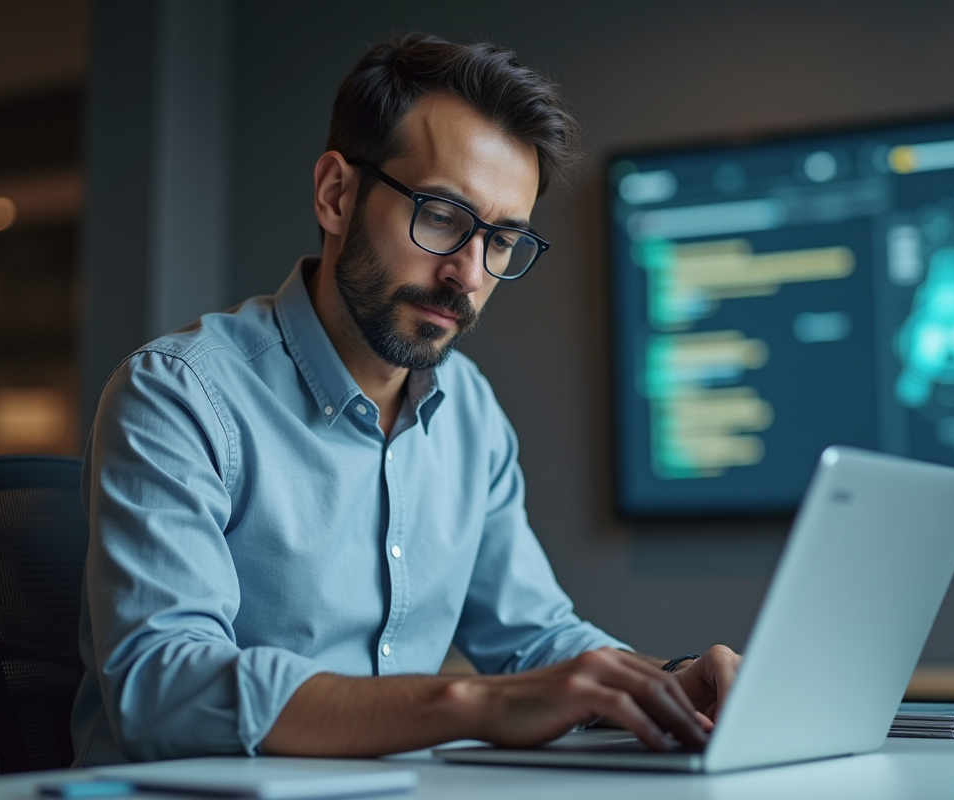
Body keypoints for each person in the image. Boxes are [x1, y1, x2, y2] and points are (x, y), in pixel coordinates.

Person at [73, 33, 740, 766]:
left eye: (502, 240)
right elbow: (161, 689)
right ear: (335, 195)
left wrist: (672, 685)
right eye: (444, 216)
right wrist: (466, 702)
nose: (469, 274)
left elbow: (535, 636)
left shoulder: (471, 411)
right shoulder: (180, 393)